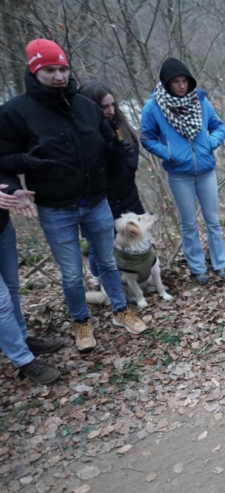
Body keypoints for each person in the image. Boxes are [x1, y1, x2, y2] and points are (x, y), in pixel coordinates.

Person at [0, 39, 147, 352]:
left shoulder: (86, 107)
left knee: (107, 261)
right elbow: (4, 157)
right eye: (50, 70)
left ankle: (121, 311)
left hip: (96, 202)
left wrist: (115, 150)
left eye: (63, 68)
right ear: (34, 71)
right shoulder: (16, 112)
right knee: (70, 274)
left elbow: (108, 140)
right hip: (56, 207)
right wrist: (27, 165)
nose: (59, 76)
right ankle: (81, 321)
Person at [140, 57, 225, 285]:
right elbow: (147, 138)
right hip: (179, 174)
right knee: (189, 223)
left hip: (206, 170)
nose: (181, 86)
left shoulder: (200, 101)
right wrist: (169, 153)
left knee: (212, 220)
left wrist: (209, 144)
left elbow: (219, 127)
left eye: (184, 81)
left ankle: (221, 264)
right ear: (167, 83)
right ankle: (198, 268)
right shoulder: (154, 107)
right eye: (176, 82)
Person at [79, 81, 145, 286]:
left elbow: (130, 159)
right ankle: (101, 281)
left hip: (127, 194)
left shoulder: (122, 127)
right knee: (102, 245)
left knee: (137, 236)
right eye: (104, 107)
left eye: (112, 105)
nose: (110, 111)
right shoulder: (84, 133)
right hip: (100, 198)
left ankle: (138, 279)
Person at [1, 177, 64, 384]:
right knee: (1, 303)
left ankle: (23, 339)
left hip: (2, 228)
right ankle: (23, 360)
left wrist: (12, 190)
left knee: (12, 289)